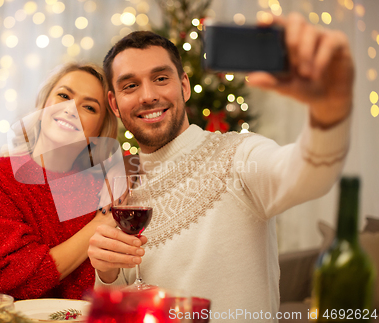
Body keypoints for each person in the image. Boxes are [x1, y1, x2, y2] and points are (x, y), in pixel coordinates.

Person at [88, 13, 353, 320]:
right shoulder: (121, 186)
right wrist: (106, 272)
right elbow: (120, 302)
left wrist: (329, 112)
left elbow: (308, 174)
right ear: (114, 103)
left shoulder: (239, 154)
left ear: (184, 87)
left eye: (161, 78)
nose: (148, 96)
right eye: (130, 85)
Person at [0, 63, 118, 300]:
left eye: (89, 107)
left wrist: (124, 171)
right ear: (44, 104)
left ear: (101, 128)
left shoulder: (107, 185)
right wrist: (102, 223)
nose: (71, 109)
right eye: (63, 95)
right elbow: (17, 279)